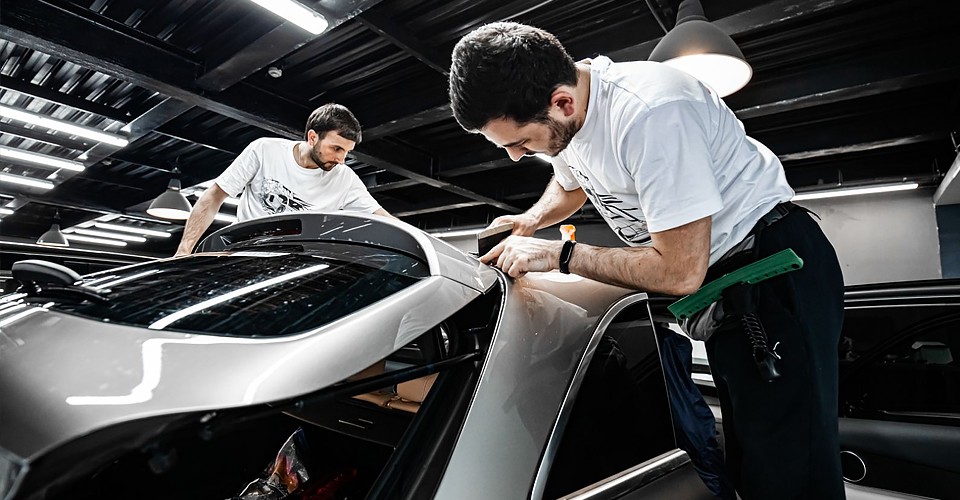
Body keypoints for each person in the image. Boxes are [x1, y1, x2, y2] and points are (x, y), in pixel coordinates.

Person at [448, 22, 845, 500]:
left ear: (562, 103)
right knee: (751, 457)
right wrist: (530, 220)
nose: (515, 157)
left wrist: (559, 254)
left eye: (520, 142)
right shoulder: (571, 114)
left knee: (792, 469)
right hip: (722, 290)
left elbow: (678, 271)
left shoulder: (652, 112)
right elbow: (570, 185)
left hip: (770, 270)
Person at [174, 103, 390, 256]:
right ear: (312, 137)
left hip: (293, 266)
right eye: (336, 149)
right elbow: (214, 196)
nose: (341, 160)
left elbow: (382, 217)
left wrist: (413, 238)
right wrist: (183, 251)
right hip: (244, 253)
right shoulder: (265, 150)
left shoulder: (344, 178)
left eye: (347, 152)